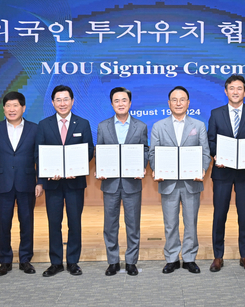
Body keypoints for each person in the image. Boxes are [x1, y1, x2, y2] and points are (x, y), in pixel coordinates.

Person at [149, 86, 211, 274]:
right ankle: (172, 258)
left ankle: (190, 258)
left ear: (188, 103)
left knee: (191, 222)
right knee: (170, 223)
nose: (178, 103)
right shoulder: (159, 126)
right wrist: (156, 169)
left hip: (191, 182)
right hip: (168, 183)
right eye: (174, 100)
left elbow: (205, 153)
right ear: (168, 103)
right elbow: (153, 153)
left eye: (182, 99)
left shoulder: (198, 125)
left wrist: (201, 170)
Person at [35, 85, 94, 277]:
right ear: (52, 103)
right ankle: (55, 262)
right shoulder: (43, 125)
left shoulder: (83, 123)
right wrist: (45, 174)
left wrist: (76, 168)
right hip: (53, 183)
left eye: (66, 99)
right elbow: (39, 153)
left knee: (74, 222)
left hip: (75, 183)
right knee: (54, 222)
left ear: (72, 101)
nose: (62, 103)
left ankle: (73, 262)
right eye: (58, 100)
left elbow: (89, 150)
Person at [207, 74, 245, 272]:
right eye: (232, 88)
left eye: (239, 88)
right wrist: (216, 155)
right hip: (222, 172)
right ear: (226, 91)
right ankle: (217, 256)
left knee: (244, 215)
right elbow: (211, 140)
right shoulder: (216, 113)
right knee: (219, 214)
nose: (235, 92)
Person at [0, 92, 41, 276]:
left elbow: (39, 157)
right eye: (8, 106)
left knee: (26, 222)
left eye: (15, 105)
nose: (11, 109)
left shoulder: (34, 129)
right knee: (3, 223)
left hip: (27, 182)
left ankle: (25, 259)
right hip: (2, 183)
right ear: (3, 109)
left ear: (23, 108)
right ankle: (5, 261)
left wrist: (40, 182)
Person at [96, 87, 148, 276]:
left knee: (133, 224)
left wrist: (141, 166)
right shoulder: (103, 126)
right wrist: (100, 168)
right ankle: (113, 261)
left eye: (124, 100)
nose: (121, 104)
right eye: (117, 101)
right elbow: (99, 150)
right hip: (109, 183)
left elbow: (144, 150)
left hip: (132, 182)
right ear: (112, 104)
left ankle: (131, 262)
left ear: (130, 103)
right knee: (110, 224)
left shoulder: (140, 126)